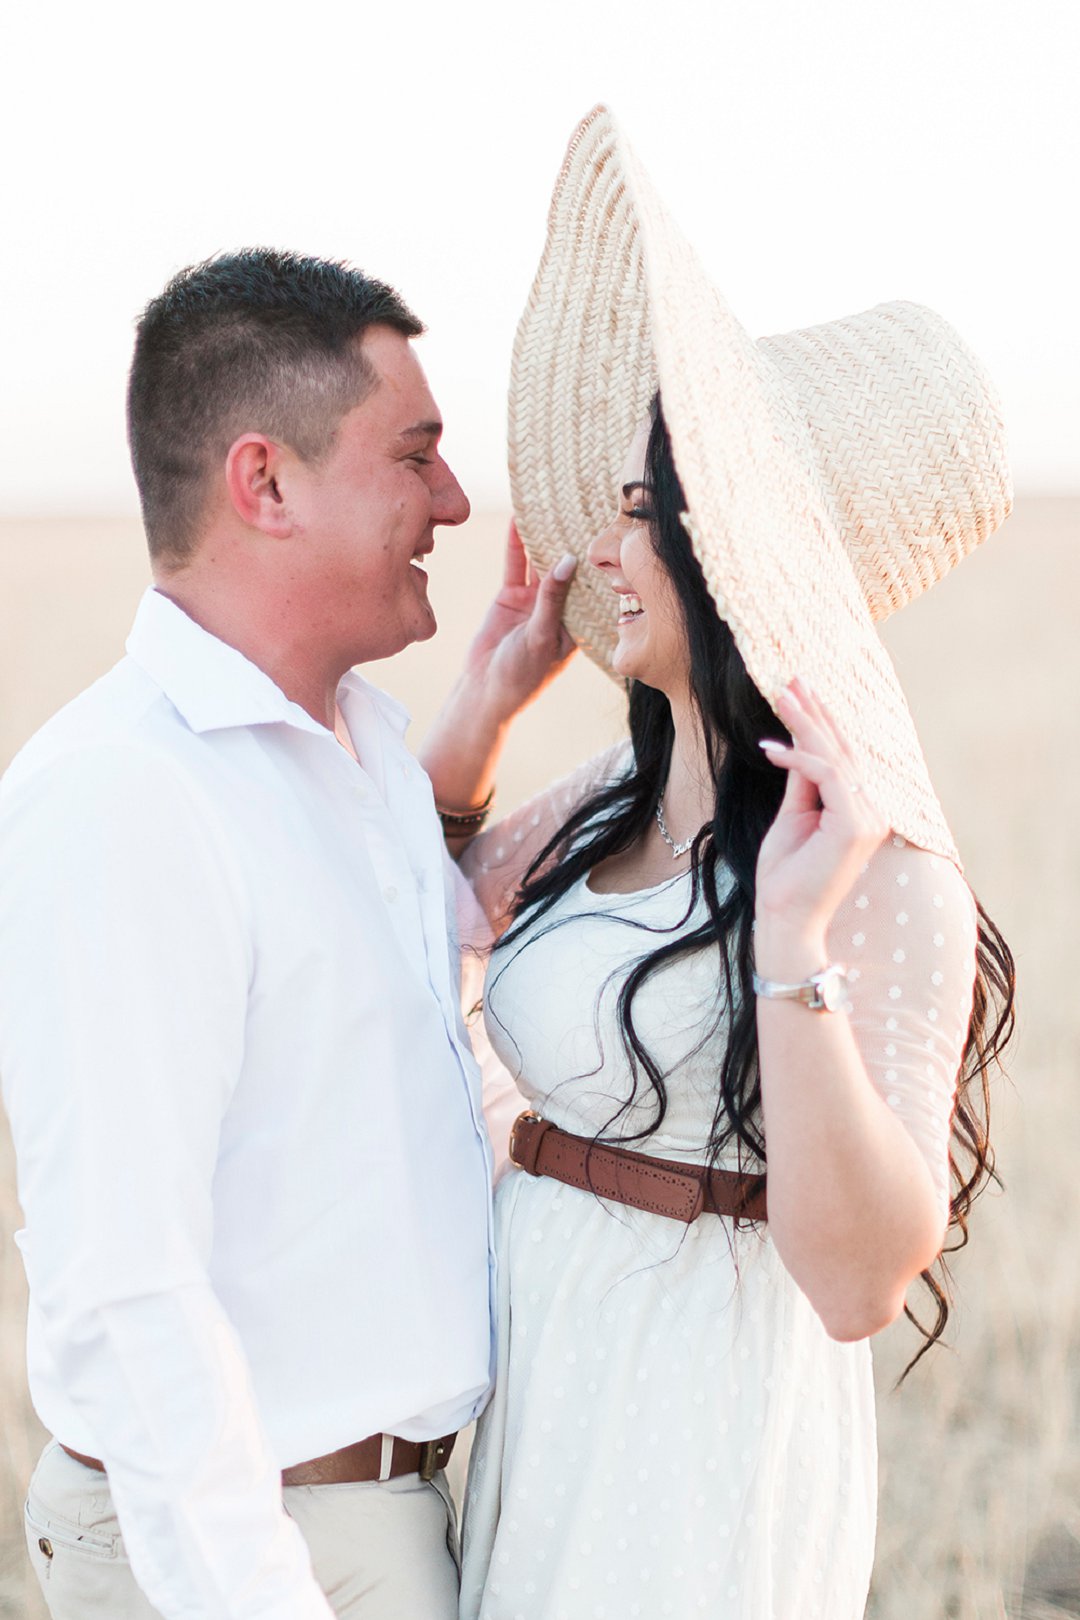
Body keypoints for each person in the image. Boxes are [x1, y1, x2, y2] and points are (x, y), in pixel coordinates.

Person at [419, 106, 1017, 1618]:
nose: (605, 553)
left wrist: (791, 952)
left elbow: (857, 1279)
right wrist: (477, 728)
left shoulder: (878, 874)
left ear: (725, 555)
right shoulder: (600, 802)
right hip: (543, 1368)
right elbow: (405, 934)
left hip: (697, 1421)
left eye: (639, 515)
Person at [0, 249, 574, 1620]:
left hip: (376, 1518)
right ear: (265, 484)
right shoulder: (121, 797)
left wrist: (486, 713)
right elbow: (125, 1287)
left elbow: (375, 965)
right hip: (250, 1550)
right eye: (416, 457)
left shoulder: (363, 739)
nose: (453, 502)